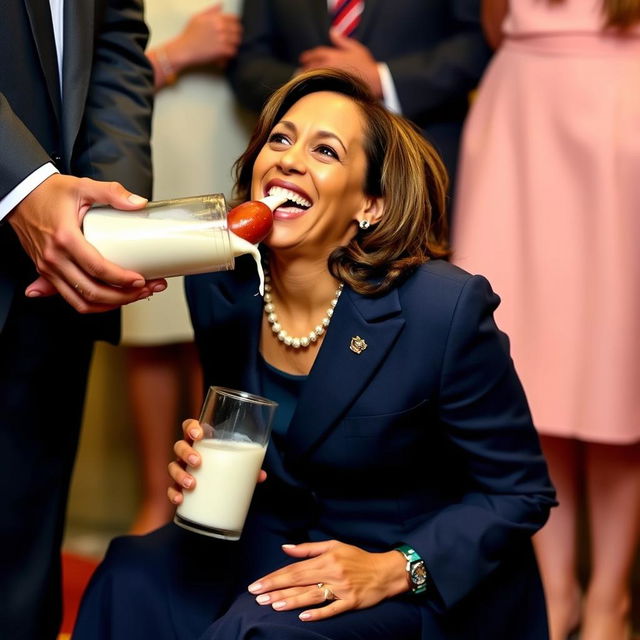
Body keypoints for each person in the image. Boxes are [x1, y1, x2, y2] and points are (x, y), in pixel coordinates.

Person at [73, 69, 556, 640]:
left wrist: (395, 567)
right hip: (271, 543)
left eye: (324, 150)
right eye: (279, 139)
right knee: (130, 576)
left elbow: (520, 493)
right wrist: (201, 464)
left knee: (260, 633)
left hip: (400, 576)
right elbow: (252, 435)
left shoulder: (441, 309)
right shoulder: (221, 286)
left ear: (370, 204)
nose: (289, 159)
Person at [451, 2, 640, 639]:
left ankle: (609, 599)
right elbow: (494, 22)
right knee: (526, 372)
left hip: (624, 103)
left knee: (619, 377)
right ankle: (552, 592)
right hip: (520, 111)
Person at [0, 2, 160, 638]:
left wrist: (110, 221)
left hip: (57, 271)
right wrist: (22, 186)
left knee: (22, 566)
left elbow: (116, 35)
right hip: (33, 209)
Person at [125, 0, 250, 536]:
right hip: (148, 135)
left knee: (221, 315)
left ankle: (213, 497)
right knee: (149, 325)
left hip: (231, 134)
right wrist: (176, 54)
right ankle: (157, 497)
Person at [227, 0, 491, 207]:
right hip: (299, 183)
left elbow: (480, 40)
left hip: (422, 148)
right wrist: (313, 81)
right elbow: (249, 64)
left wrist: (382, 78)